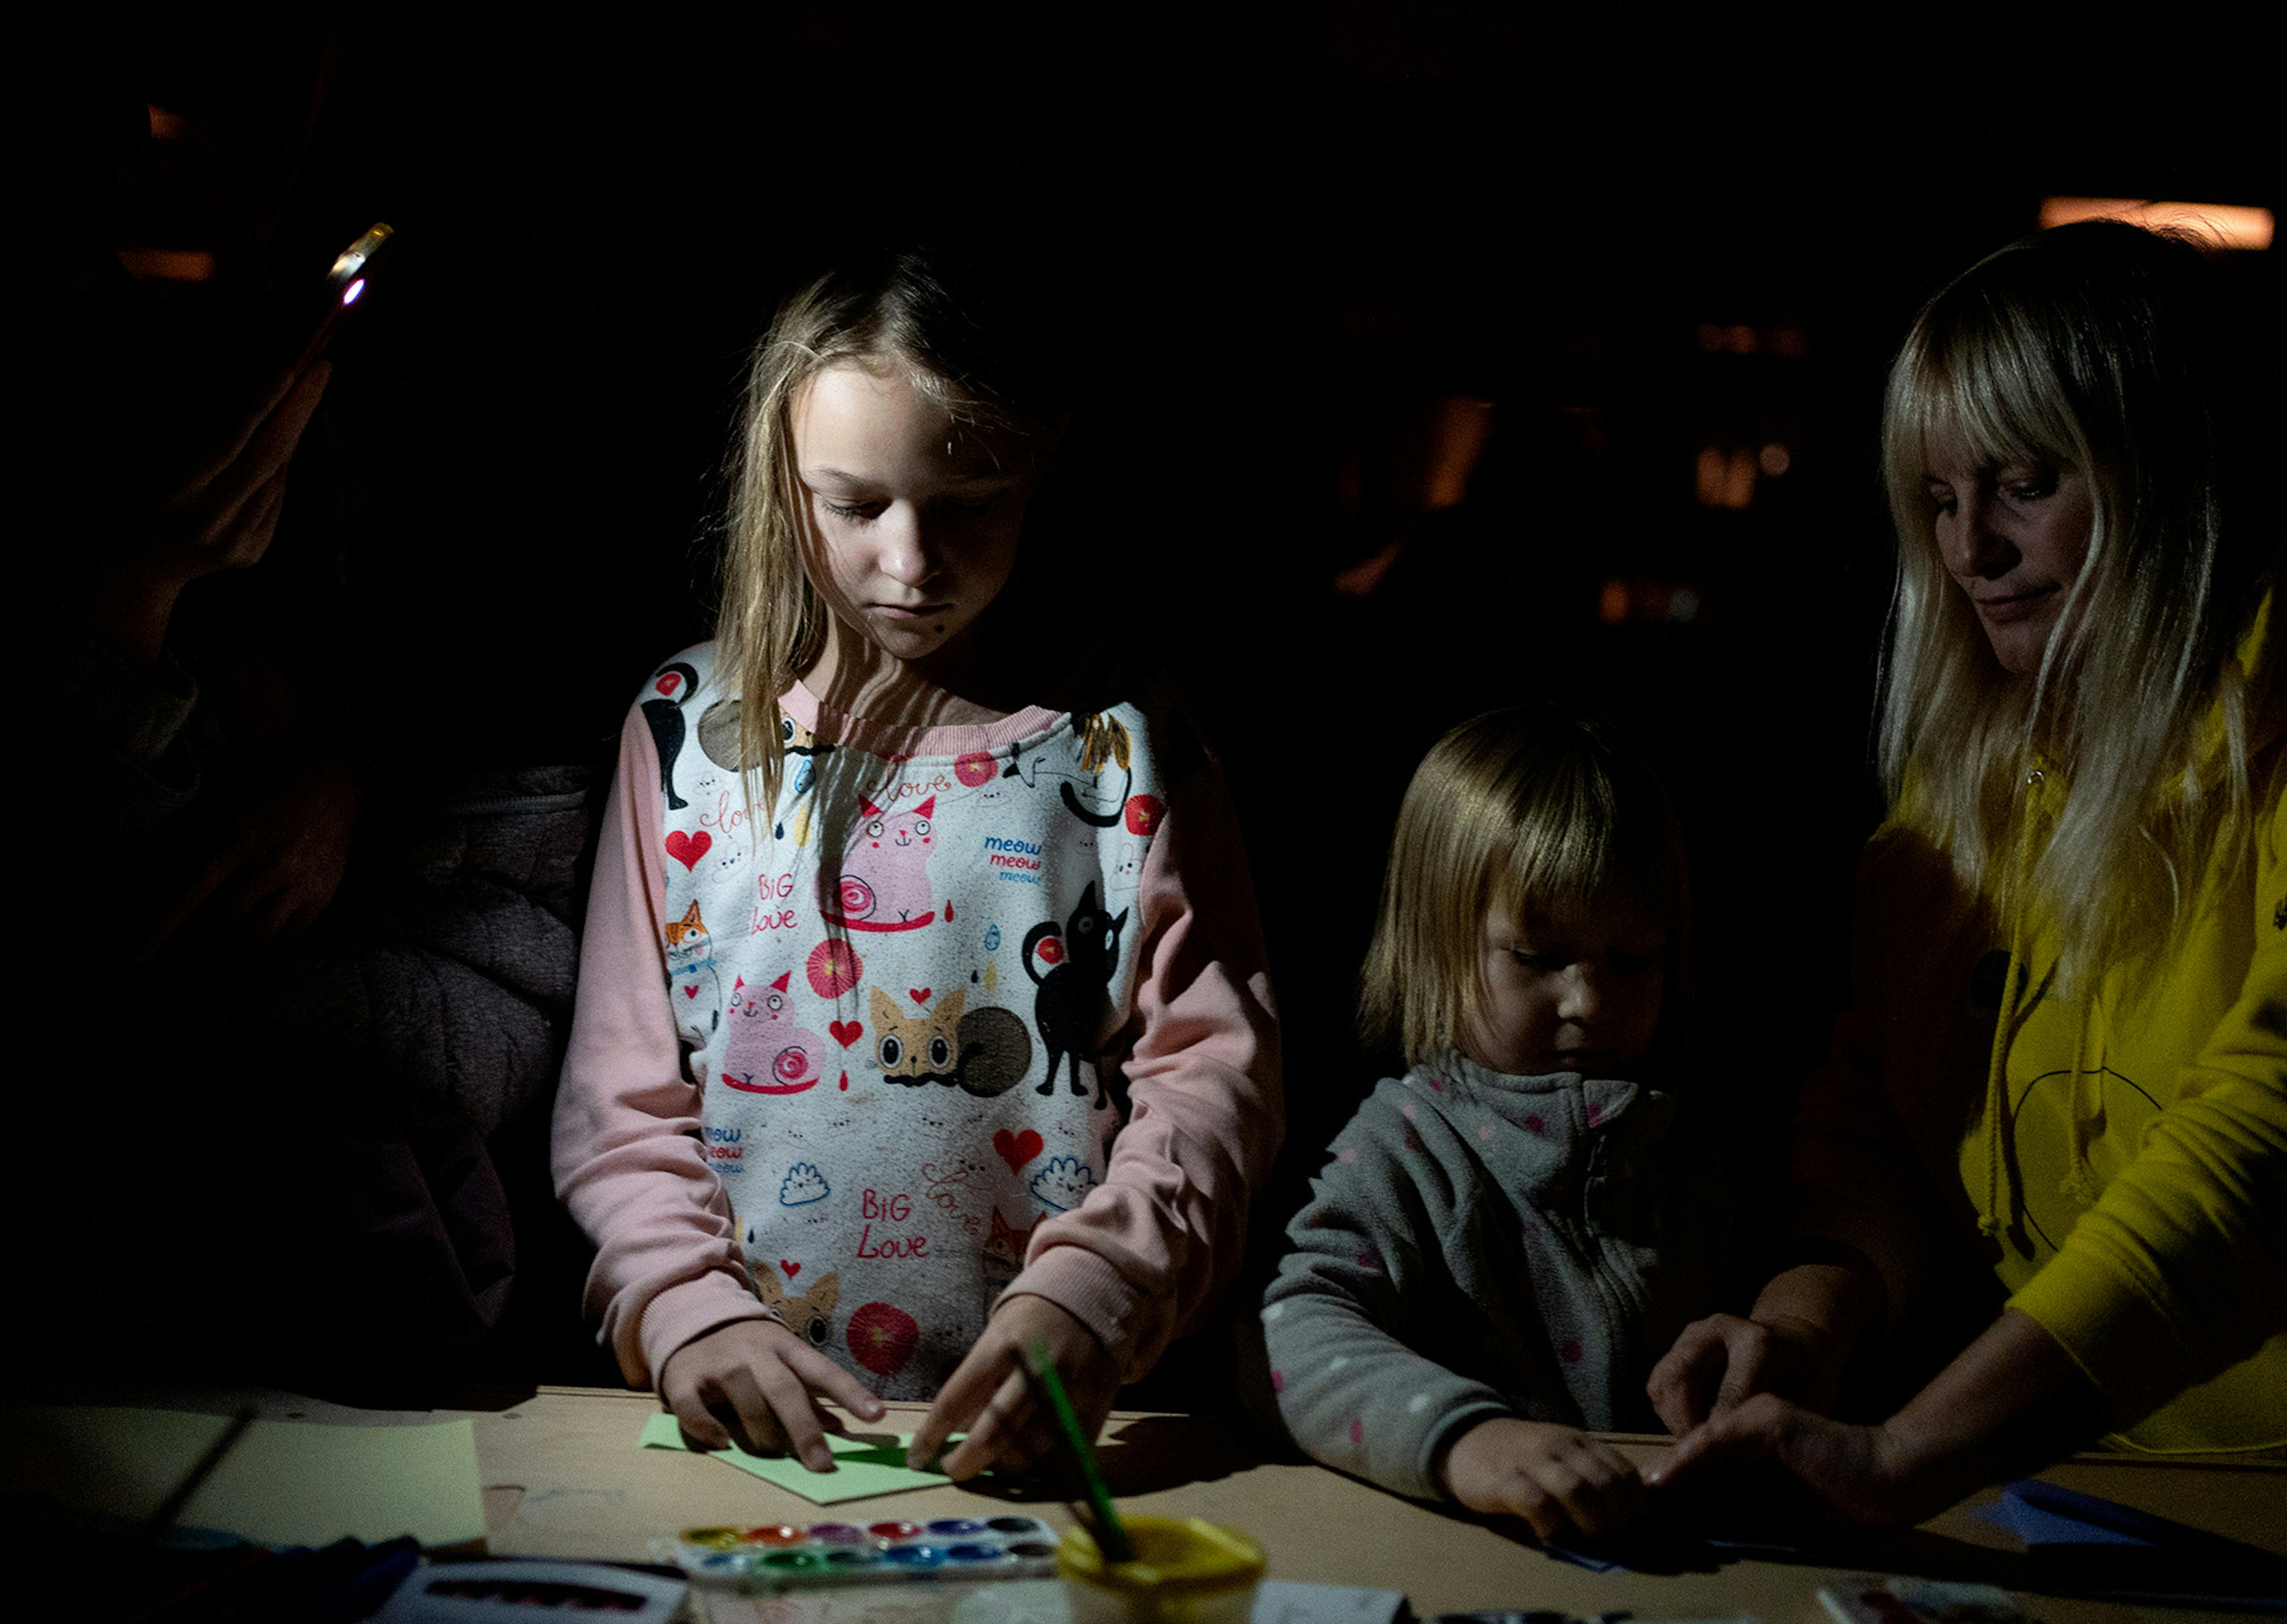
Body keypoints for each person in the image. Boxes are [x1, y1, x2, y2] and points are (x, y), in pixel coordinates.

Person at [1648, 219, 2287, 1524]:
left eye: (2022, 482)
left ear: (2170, 470)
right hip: (2121, 1497)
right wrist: (1804, 1319)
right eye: (1939, 502)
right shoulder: (1986, 766)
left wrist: (1913, 1454)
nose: (1970, 552)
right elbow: (1885, 1109)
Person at [551, 253, 1281, 1482]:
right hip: (745, 1446)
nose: (910, 561)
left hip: (1055, 1444)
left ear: (1039, 466)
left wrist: (1100, 1294)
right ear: (782, 484)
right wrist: (687, 1310)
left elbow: (1213, 1076)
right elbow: (621, 1102)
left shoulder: (1123, 737)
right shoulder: (684, 730)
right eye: (855, 505)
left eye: (969, 502)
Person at [1261, 708, 1719, 1542]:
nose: (1590, 1001)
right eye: (1540, 959)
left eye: (1633, 958)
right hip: (1469, 1561)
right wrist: (1467, 1439)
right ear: (1434, 944)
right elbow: (1293, 1335)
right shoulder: (1406, 1147)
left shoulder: (1691, 1153)